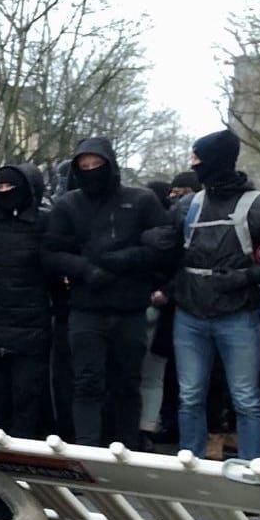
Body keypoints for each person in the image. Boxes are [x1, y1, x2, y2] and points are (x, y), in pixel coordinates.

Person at [157, 129, 260, 461]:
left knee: (246, 397)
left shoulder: (258, 206)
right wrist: (171, 283)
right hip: (190, 314)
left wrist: (246, 277)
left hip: (239, 314)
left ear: (215, 160)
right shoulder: (189, 205)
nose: (193, 164)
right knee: (190, 395)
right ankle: (190, 463)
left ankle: (252, 469)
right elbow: (168, 252)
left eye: (197, 158)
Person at [45, 137, 172, 448]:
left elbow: (164, 246)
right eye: (84, 166)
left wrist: (123, 261)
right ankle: (88, 448)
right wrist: (85, 270)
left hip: (129, 308)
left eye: (96, 165)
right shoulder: (68, 205)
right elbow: (50, 252)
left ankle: (126, 447)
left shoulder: (141, 201)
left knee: (127, 382)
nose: (90, 171)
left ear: (109, 164)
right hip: (86, 306)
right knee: (87, 382)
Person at [0, 165, 54, 439]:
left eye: (11, 187)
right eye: (0, 188)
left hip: (30, 321)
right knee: (0, 394)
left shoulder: (45, 222)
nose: (5, 193)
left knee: (27, 395)